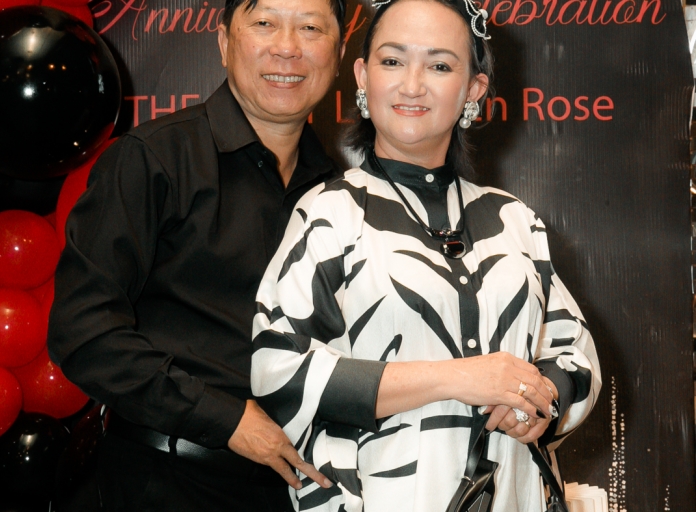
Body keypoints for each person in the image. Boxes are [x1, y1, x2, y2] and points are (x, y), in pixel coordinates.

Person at [250, 0, 602, 511]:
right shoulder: (329, 213)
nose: (412, 85)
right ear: (363, 76)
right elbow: (277, 368)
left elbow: (573, 351)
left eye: (439, 65)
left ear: (473, 90)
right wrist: (459, 377)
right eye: (393, 61)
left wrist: (542, 399)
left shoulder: (514, 220)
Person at [47, 0, 347, 510]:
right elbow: (83, 332)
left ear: (338, 56)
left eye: (311, 28)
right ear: (225, 43)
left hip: (295, 492)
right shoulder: (154, 158)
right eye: (264, 23)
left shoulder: (341, 193)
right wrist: (225, 418)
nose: (287, 47)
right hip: (163, 480)